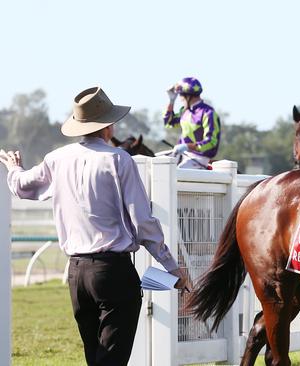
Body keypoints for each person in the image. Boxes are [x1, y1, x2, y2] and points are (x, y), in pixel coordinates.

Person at [0, 87, 190, 366]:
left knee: (95, 357)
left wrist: (14, 168)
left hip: (76, 274)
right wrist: (173, 268)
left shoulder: (57, 159)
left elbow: (21, 186)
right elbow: (143, 223)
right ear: (108, 127)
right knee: (111, 359)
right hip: (112, 271)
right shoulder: (118, 160)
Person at [164, 77, 221, 169]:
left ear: (188, 96)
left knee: (176, 171)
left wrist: (187, 146)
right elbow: (169, 123)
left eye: (181, 96)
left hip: (199, 158)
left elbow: (211, 142)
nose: (180, 99)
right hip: (182, 155)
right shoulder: (185, 111)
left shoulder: (208, 113)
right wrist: (171, 101)